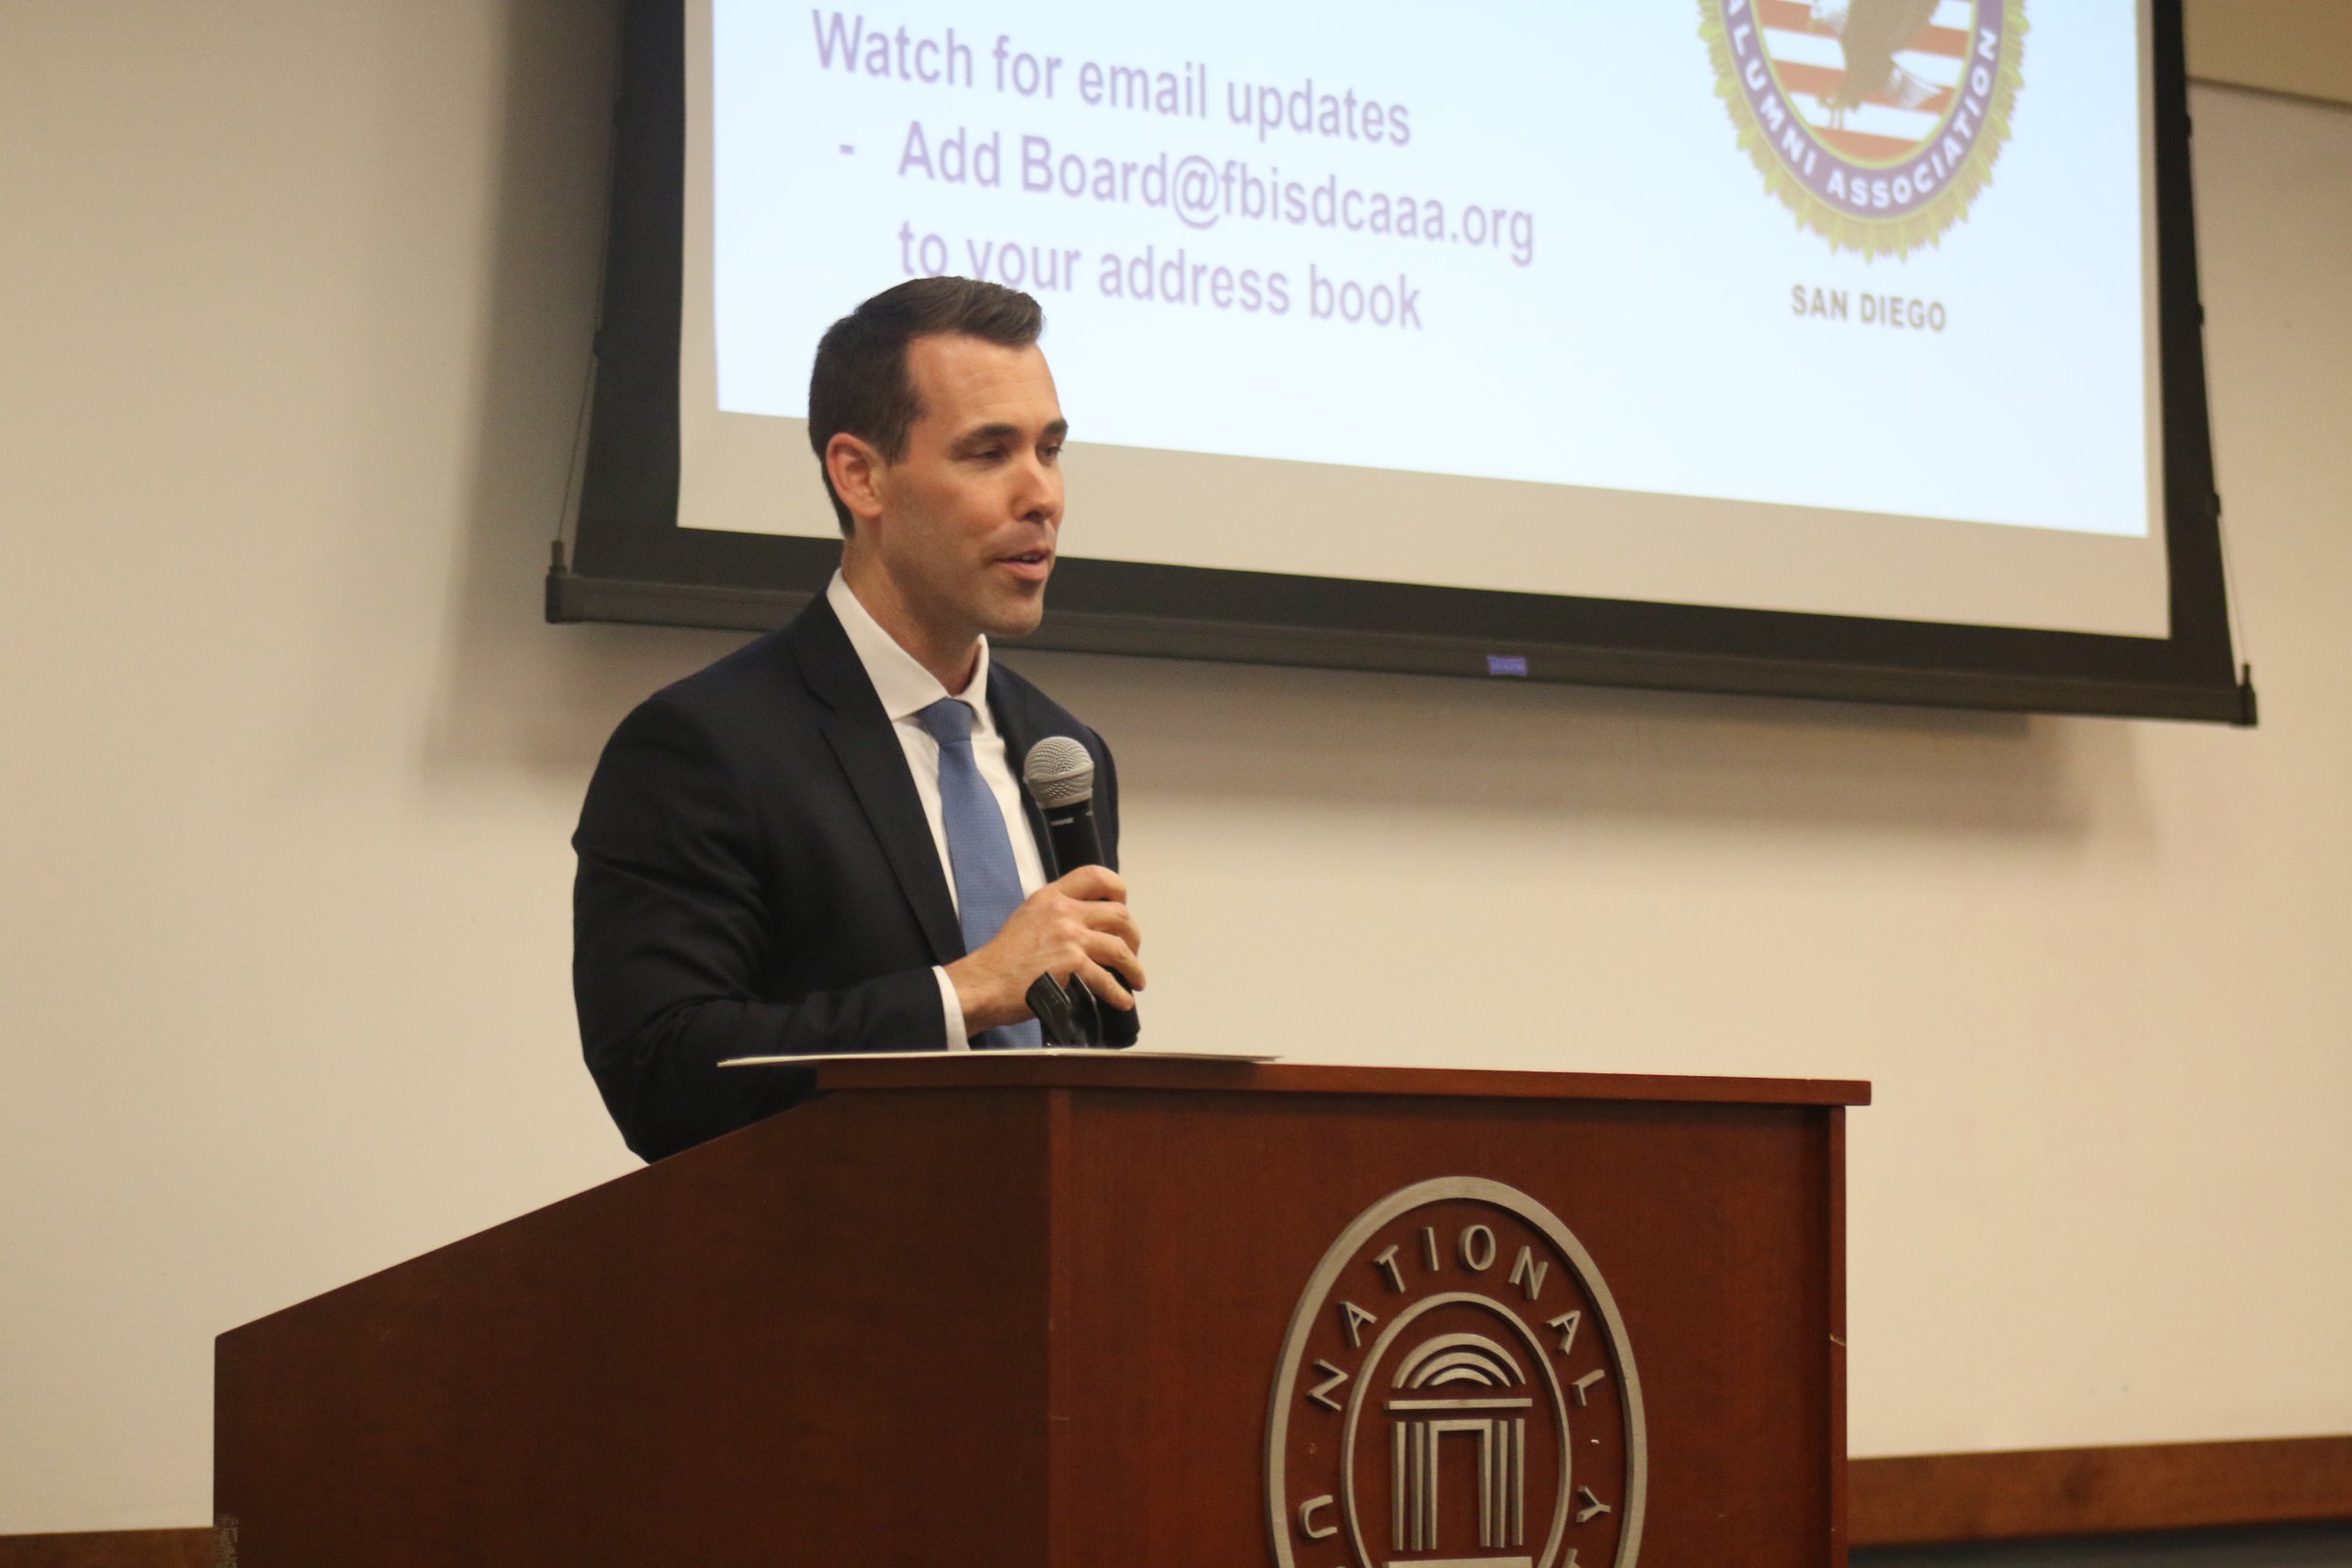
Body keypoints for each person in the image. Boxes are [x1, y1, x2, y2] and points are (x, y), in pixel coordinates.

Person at [572, 277, 1143, 1162]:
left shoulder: (1064, 755)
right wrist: (964, 993)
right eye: (990, 452)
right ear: (860, 475)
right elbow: (662, 1072)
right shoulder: (705, 747)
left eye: (1051, 448)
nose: (1043, 496)